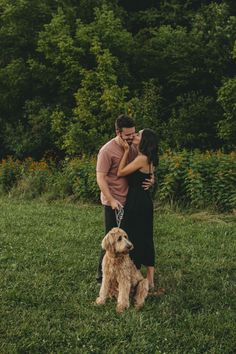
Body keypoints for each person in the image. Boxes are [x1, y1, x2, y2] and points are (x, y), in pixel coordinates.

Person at [96, 115, 153, 283]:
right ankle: (101, 277)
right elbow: (100, 178)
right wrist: (111, 200)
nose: (131, 137)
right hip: (113, 202)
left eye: (134, 133)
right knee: (110, 240)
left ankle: (128, 272)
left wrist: (151, 178)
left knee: (128, 239)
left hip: (130, 201)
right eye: (128, 134)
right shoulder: (107, 150)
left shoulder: (134, 147)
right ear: (118, 132)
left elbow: (145, 163)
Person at [117, 128, 160, 293]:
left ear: (144, 141)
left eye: (138, 134)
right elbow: (148, 177)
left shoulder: (141, 158)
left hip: (136, 202)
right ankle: (147, 279)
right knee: (146, 237)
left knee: (134, 236)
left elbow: (121, 172)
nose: (135, 136)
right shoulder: (150, 158)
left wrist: (126, 151)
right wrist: (152, 180)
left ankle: (143, 279)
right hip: (144, 200)